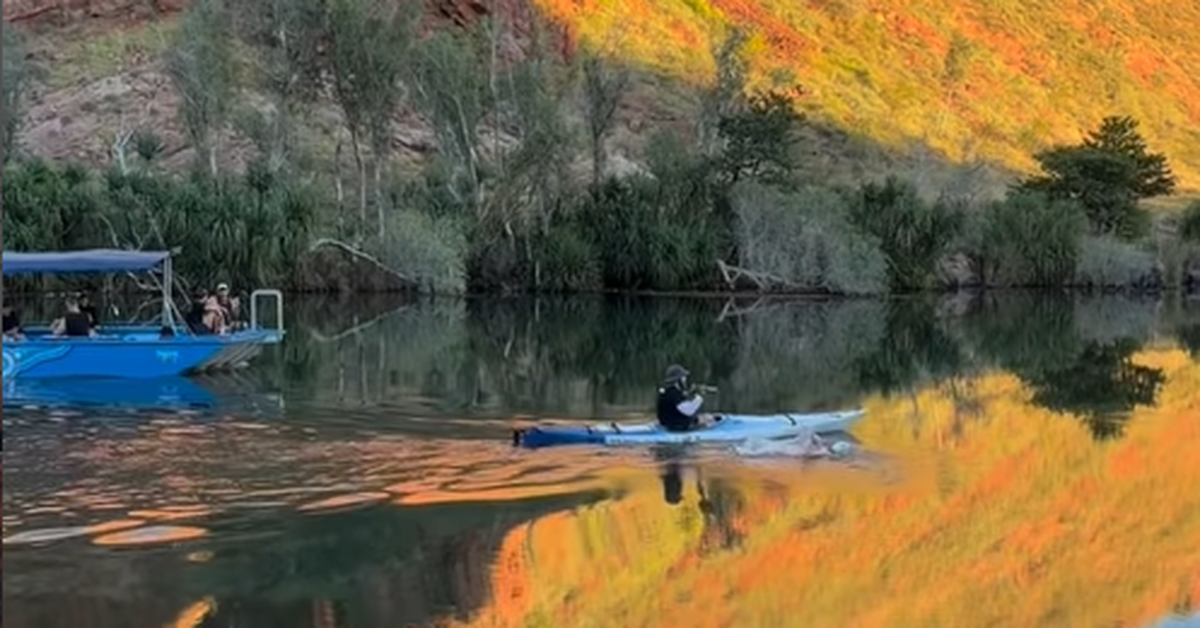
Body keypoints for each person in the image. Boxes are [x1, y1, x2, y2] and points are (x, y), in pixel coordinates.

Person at [656, 364, 712, 432]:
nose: (685, 380)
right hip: (676, 426)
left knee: (703, 417)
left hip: (666, 424)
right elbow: (688, 411)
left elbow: (678, 405)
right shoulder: (674, 393)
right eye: (683, 378)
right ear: (678, 379)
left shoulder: (667, 391)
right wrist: (699, 397)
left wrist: (691, 394)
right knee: (708, 418)